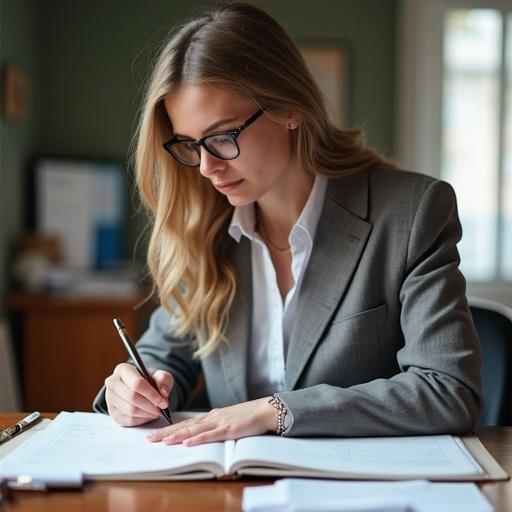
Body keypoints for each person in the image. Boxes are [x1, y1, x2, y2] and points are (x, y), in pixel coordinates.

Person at [93, 2, 482, 446]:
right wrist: (133, 389)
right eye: (188, 144)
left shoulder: (412, 212)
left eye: (223, 137)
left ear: (290, 108)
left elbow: (449, 390)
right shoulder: (206, 227)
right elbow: (166, 357)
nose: (205, 167)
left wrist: (276, 410)